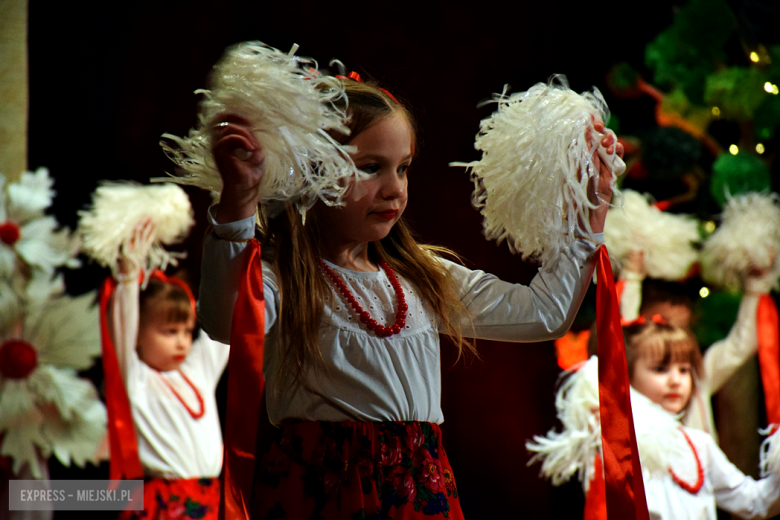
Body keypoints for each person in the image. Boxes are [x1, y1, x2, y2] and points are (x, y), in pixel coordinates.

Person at [199, 78, 622, 519]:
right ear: (310, 171)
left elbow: (544, 314)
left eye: (402, 168)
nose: (394, 188)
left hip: (418, 491)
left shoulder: (424, 277)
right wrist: (238, 205)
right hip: (319, 493)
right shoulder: (284, 278)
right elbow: (227, 320)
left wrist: (587, 214)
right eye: (370, 167)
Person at [528, 320, 780, 520]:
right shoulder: (615, 437)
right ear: (627, 377)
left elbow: (755, 502)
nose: (676, 380)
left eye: (684, 370)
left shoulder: (699, 444)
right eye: (660, 369)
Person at [106, 218, 230, 520]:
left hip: (210, 499)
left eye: (188, 332)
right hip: (163, 502)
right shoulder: (138, 378)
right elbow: (122, 326)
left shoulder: (198, 371)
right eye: (169, 331)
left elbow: (225, 319)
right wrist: (128, 279)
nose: (182, 342)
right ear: (137, 335)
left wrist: (229, 235)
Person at [616, 250, 775, 438]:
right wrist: (632, 274)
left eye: (683, 328)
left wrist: (757, 285)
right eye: (663, 325)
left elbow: (741, 345)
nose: (674, 337)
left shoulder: (699, 373)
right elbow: (621, 330)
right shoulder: (631, 369)